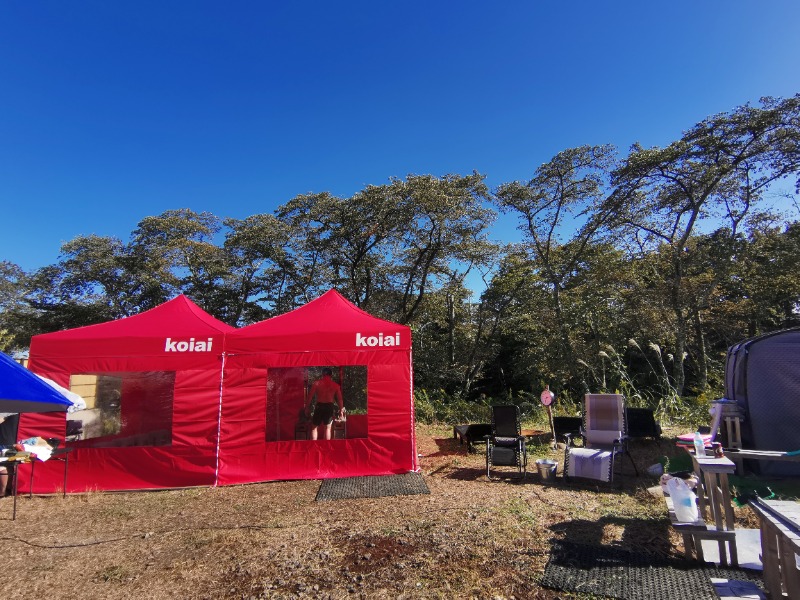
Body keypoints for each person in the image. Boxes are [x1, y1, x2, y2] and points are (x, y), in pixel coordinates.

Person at [305, 368, 344, 440]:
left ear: (323, 374)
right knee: (328, 428)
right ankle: (326, 448)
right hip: (329, 406)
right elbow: (340, 399)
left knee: (314, 428)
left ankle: (314, 447)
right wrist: (341, 410)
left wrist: (307, 407)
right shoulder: (335, 385)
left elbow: (310, 396)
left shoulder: (317, 383)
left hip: (319, 406)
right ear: (331, 375)